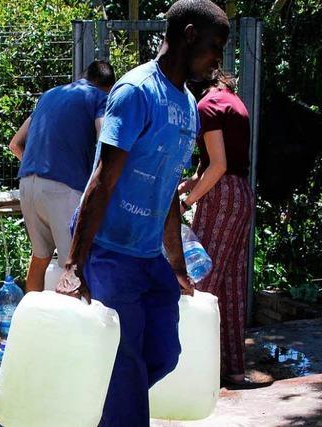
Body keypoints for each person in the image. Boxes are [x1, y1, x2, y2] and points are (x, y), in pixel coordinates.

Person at [56, 0, 230, 425]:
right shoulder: (137, 91)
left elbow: (167, 185)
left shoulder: (188, 105)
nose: (217, 62)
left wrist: (175, 262)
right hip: (110, 250)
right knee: (125, 364)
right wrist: (74, 262)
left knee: (164, 353)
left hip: (148, 253)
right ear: (189, 36)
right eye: (214, 48)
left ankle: (89, 408)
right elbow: (103, 177)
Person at [9, 60, 115, 292]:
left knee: (39, 257)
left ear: (83, 76)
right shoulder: (100, 98)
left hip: (27, 183)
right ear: (107, 86)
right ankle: (74, 328)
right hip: (64, 189)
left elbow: (15, 144)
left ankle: (32, 324)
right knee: (74, 266)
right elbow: (105, 141)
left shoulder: (48, 95)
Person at [179, 69, 254, 387]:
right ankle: (234, 369)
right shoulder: (233, 102)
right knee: (232, 287)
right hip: (242, 194)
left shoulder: (207, 106)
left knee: (199, 281)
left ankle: (192, 369)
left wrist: (186, 203)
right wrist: (184, 187)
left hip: (221, 197)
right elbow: (218, 164)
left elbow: (218, 166)